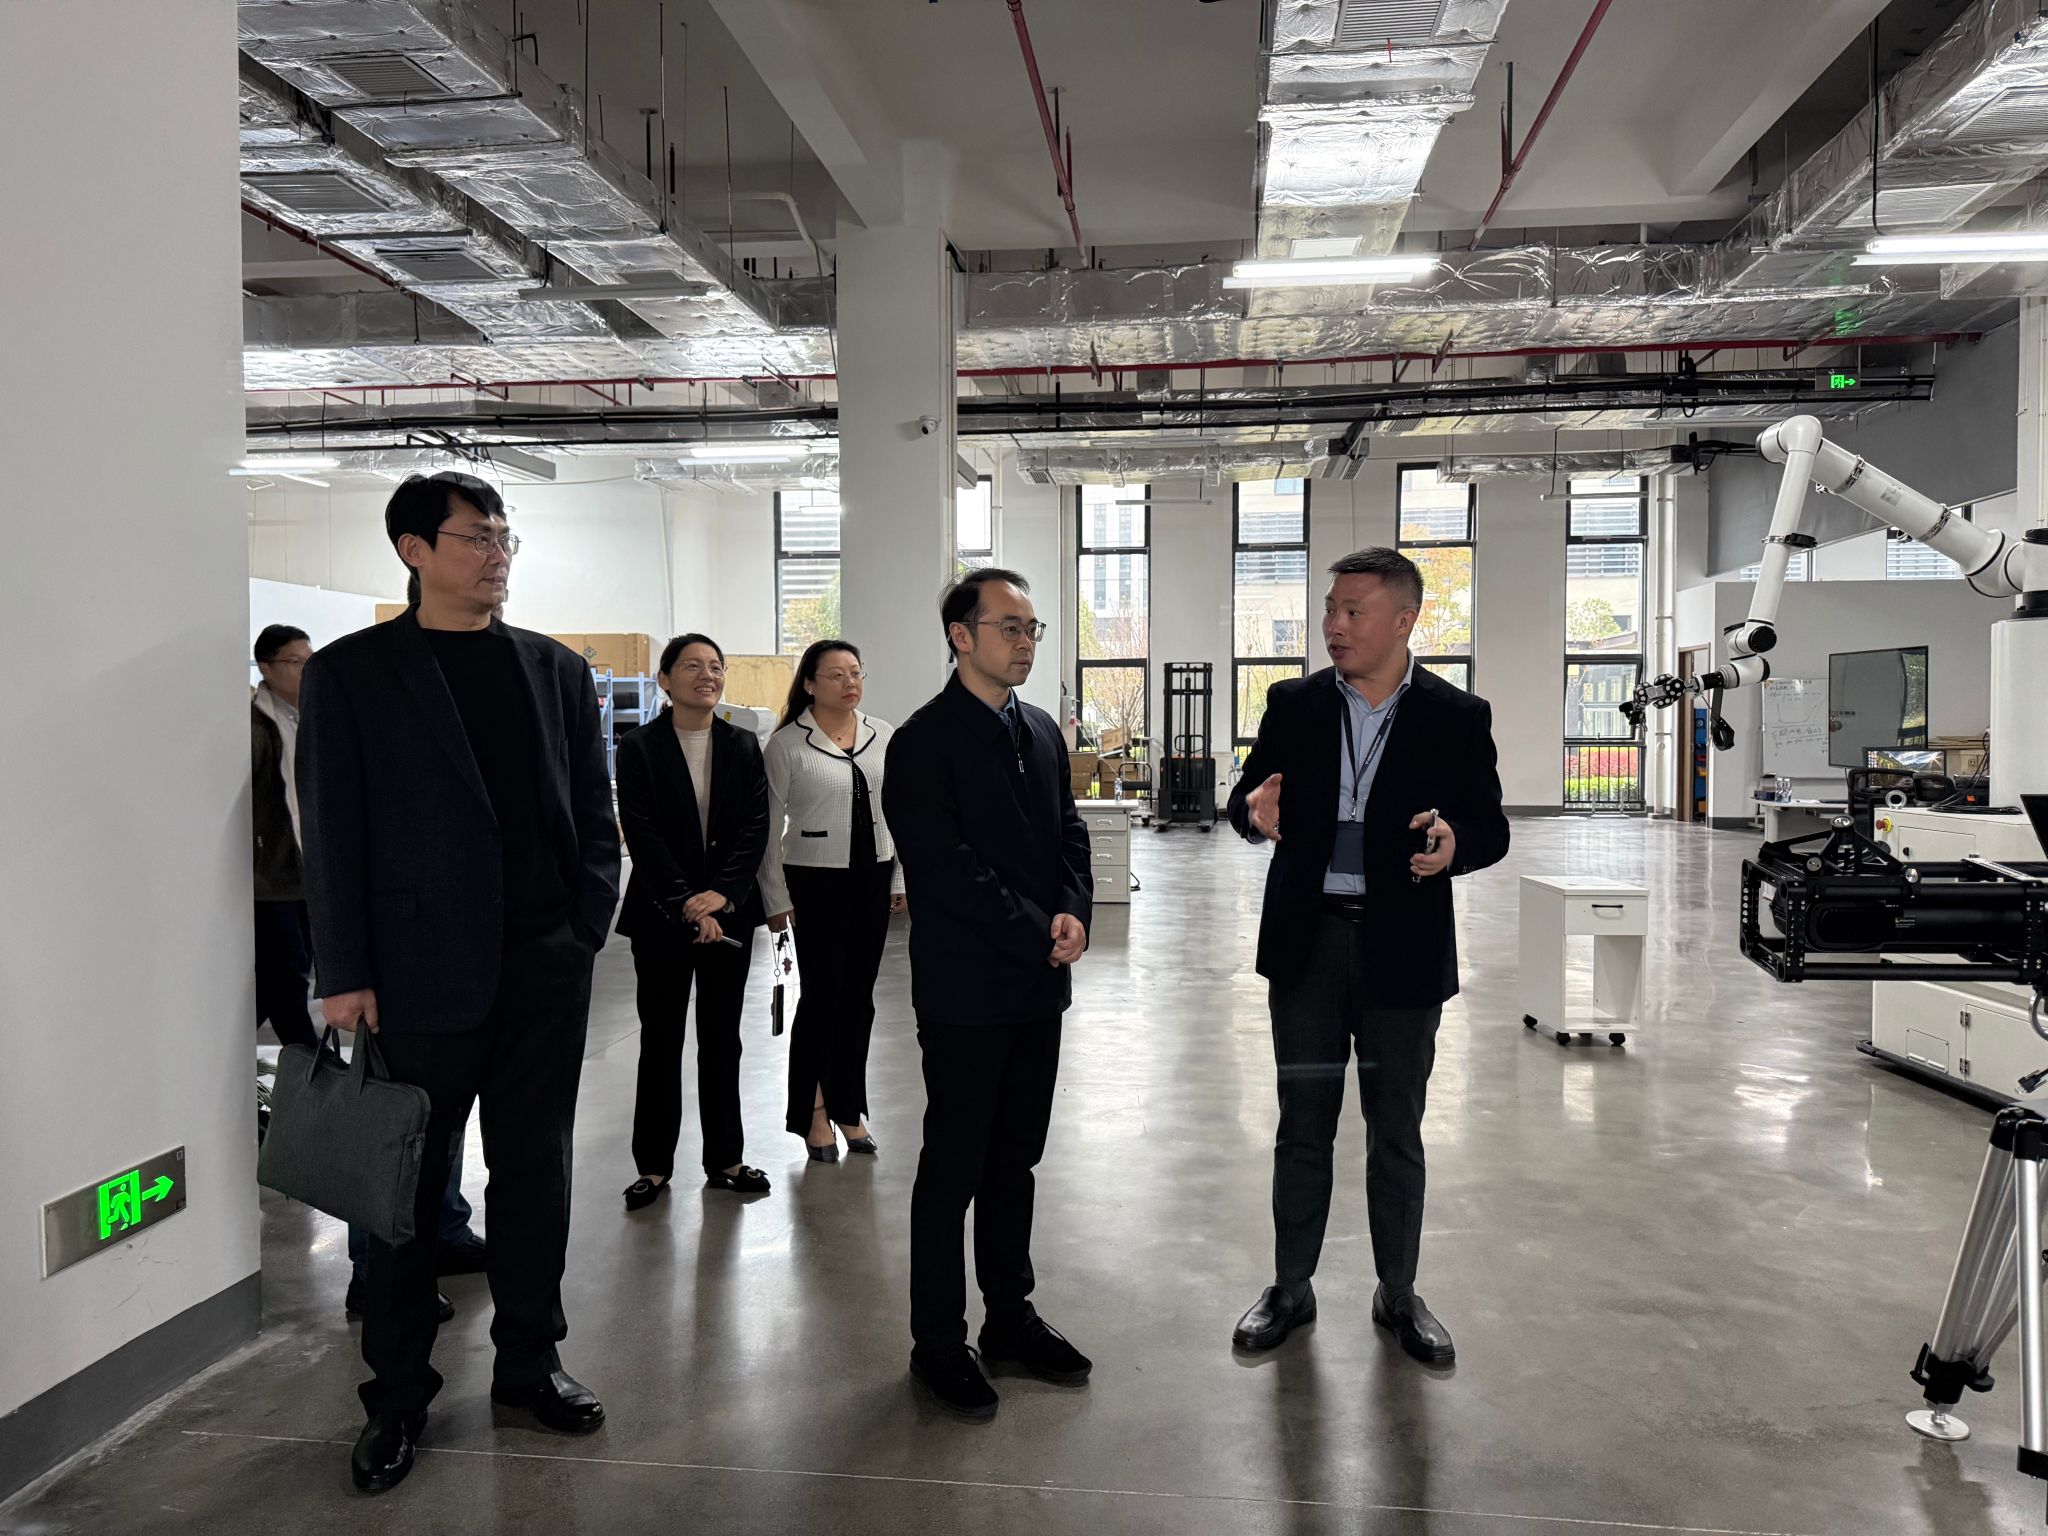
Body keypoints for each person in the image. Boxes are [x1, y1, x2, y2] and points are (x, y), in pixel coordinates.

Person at [297, 470, 620, 1493]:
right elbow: (331, 831)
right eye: (475, 537)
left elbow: (594, 815)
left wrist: (582, 927)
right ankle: (396, 1395)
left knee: (536, 1176)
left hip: (543, 973)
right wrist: (345, 971)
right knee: (402, 1194)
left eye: (503, 537)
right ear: (413, 550)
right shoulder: (353, 674)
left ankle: (530, 1361)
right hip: (411, 979)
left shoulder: (555, 670)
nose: (496, 555)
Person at [1225, 547, 1508, 1367]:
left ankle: (1399, 1293)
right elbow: (1247, 801)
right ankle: (1290, 1287)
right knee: (1302, 1126)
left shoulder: (1456, 715)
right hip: (1308, 949)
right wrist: (1251, 812)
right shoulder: (1294, 704)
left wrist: (1455, 844)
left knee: (1397, 1130)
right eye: (1330, 609)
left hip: (1401, 953)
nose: (1334, 625)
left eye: (1353, 610)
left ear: (1405, 619)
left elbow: (1490, 828)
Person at [882, 568, 1094, 1421]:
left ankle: (1009, 1318)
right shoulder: (923, 743)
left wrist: (1074, 910)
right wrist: (1038, 930)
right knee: (953, 1169)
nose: (1024, 641)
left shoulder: (1038, 730)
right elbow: (946, 871)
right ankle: (938, 1341)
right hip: (967, 992)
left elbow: (1068, 831)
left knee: (1016, 1162)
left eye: (1032, 628)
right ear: (960, 636)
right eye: (1009, 626)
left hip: (1038, 988)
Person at [615, 633, 773, 1209]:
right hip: (662, 914)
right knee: (660, 1039)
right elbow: (642, 831)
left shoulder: (742, 744)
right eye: (692, 666)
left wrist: (721, 895)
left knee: (722, 1038)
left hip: (728, 914)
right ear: (665, 680)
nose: (708, 675)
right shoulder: (639, 746)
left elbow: (755, 825)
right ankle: (654, 1166)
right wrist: (687, 900)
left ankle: (726, 1158)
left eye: (716, 666)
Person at [760, 640, 907, 1162]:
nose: (850, 683)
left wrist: (898, 879)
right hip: (813, 882)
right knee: (822, 998)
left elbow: (899, 813)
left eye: (856, 673)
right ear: (809, 684)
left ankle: (848, 1105)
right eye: (837, 674)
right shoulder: (786, 745)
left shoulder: (882, 734)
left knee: (859, 999)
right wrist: (774, 897)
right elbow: (767, 831)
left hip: (872, 878)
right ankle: (812, 1109)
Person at [252, 625, 318, 1051]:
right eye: (296, 663)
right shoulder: (254, 726)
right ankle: (314, 1065)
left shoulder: (306, 720)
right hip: (270, 877)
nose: (305, 672)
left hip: (305, 871)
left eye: (310, 662)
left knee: (282, 977)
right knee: (288, 974)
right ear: (266, 667)